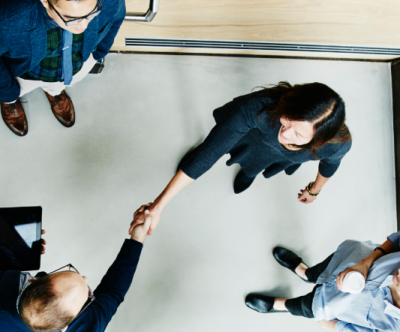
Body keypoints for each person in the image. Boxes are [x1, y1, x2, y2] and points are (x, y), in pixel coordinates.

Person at [131, 82, 352, 235]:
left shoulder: (336, 144)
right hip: (252, 136)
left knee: (256, 165)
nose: (285, 134)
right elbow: (210, 151)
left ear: (318, 142)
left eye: (298, 135)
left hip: (276, 156)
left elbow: (330, 165)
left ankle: (248, 174)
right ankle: (240, 169)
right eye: (287, 121)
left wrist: (314, 190)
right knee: (212, 152)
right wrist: (158, 206)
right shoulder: (260, 107)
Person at [0, 0, 126, 136]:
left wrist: (99, 53)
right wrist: (8, 92)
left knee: (57, 85)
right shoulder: (8, 17)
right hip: (25, 73)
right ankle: (10, 103)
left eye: (91, 13)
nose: (83, 26)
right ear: (45, 2)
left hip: (78, 61)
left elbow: (117, 17)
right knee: (11, 94)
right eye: (71, 19)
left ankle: (55, 91)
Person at [0, 210, 152, 332]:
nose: (85, 278)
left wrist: (13, 252)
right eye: (88, 296)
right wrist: (138, 237)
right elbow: (112, 292)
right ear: (64, 327)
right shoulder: (87, 325)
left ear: (32, 281)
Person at [245, 231, 400, 331]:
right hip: (352, 262)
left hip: (333, 304)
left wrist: (333, 325)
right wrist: (367, 262)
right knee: (320, 271)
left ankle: (279, 304)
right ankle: (305, 272)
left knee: (305, 306)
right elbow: (397, 239)